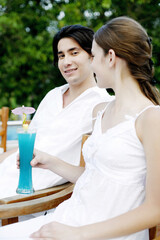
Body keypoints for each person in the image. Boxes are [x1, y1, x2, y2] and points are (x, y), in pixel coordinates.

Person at [1, 16, 160, 240]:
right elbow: (93, 177)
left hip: (99, 232)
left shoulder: (151, 119)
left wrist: (77, 233)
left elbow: (155, 209)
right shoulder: (102, 112)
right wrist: (49, 161)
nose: (92, 64)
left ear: (111, 58)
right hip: (70, 218)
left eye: (93, 56)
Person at [0, 25, 112, 200]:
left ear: (92, 55)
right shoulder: (53, 95)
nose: (66, 61)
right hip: (10, 174)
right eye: (61, 56)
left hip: (35, 191)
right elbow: (29, 143)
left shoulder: (102, 105)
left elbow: (97, 171)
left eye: (74, 53)